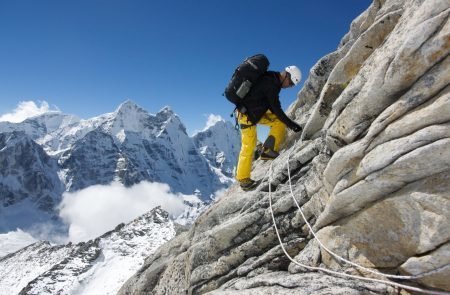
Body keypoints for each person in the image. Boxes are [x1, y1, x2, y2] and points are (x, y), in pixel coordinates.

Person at [236, 65, 302, 191]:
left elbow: (274, 108)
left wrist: (289, 123)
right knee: (248, 146)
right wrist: (293, 125)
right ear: (287, 76)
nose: (290, 87)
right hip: (246, 115)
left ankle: (268, 150)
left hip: (255, 112)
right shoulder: (271, 84)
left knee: (279, 121)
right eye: (291, 83)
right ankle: (243, 179)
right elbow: (276, 109)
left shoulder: (272, 78)